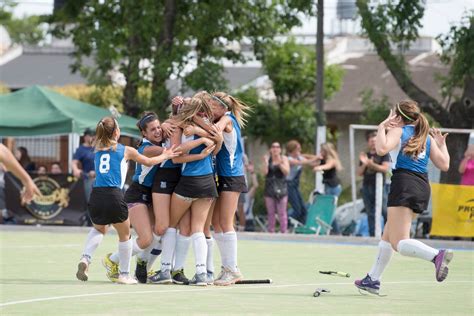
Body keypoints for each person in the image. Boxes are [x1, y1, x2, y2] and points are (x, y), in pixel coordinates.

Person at [355, 100, 452, 295]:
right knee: (388, 235)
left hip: (403, 184)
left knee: (399, 242)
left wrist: (382, 127)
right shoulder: (426, 137)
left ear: (398, 117)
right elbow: (445, 165)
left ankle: (436, 256)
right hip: (421, 186)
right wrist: (442, 145)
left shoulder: (398, 131)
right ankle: (373, 279)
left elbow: (381, 149)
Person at [75, 116, 178, 284]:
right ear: (117, 132)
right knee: (125, 236)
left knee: (99, 229)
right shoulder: (125, 150)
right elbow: (149, 161)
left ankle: (85, 258)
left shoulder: (97, 150)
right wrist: (166, 154)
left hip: (96, 195)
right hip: (114, 195)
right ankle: (124, 274)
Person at [150, 96, 219, 286]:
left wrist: (197, 145)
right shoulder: (210, 125)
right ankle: (202, 274)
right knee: (196, 229)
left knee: (171, 225)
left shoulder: (181, 124)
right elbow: (217, 142)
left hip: (189, 181)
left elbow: (176, 158)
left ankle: (165, 270)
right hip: (208, 182)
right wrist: (203, 141)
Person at [357, 131, 391, 236]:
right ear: (368, 142)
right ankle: (372, 234)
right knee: (369, 211)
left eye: (375, 141)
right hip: (367, 185)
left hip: (380, 187)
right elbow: (359, 173)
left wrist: (371, 165)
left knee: (384, 211)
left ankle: (387, 233)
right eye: (371, 141)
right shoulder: (365, 155)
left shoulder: (383, 154)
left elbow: (385, 168)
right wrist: (365, 164)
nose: (373, 143)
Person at [286, 140, 318, 223]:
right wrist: (316, 157)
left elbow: (313, 163)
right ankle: (286, 221)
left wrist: (317, 157)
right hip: (288, 185)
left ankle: (302, 227)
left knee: (303, 210)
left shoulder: (299, 157)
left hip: (295, 186)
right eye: (298, 149)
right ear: (293, 150)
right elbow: (304, 162)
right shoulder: (288, 159)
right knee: (297, 209)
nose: (300, 151)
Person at [263, 142, 290, 233]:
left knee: (282, 213)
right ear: (270, 149)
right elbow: (264, 173)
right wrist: (266, 162)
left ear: (280, 149)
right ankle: (271, 232)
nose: (275, 149)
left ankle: (284, 232)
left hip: (282, 189)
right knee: (271, 213)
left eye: (277, 147)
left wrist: (280, 163)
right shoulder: (268, 159)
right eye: (273, 147)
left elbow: (286, 172)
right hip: (269, 189)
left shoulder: (284, 159)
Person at [72, 128, 96, 203]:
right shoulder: (81, 149)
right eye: (91, 136)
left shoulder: (98, 147)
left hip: (101, 178)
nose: (93, 137)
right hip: (89, 178)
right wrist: (76, 170)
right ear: (85, 137)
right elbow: (73, 162)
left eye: (94, 136)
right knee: (91, 202)